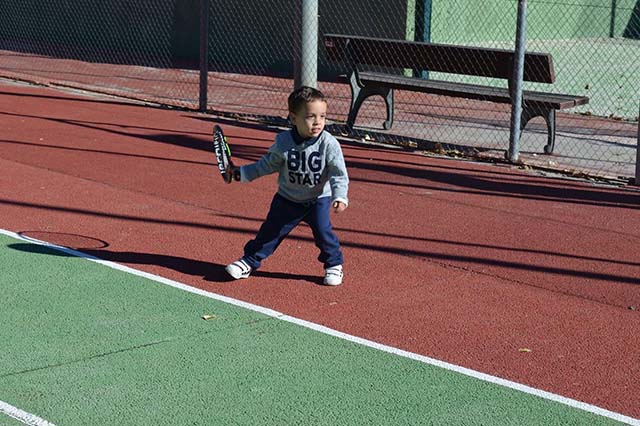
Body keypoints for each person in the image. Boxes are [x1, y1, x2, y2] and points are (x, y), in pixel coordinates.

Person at [224, 86, 349, 286]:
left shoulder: (329, 144)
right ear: (293, 118)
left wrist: (340, 196)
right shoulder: (283, 142)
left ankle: (334, 265)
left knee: (324, 233)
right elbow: (266, 165)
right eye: (310, 116)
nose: (318, 122)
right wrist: (241, 173)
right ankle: (248, 262)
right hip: (287, 199)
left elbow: (338, 173)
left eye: (323, 116)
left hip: (317, 200)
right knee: (270, 232)